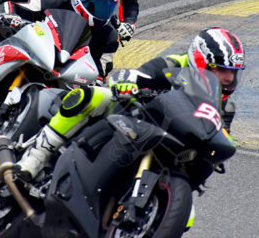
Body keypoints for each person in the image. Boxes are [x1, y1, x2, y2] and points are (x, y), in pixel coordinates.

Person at [14, 27, 245, 181]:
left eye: (233, 73)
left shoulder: (225, 108)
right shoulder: (174, 65)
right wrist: (127, 83)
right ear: (200, 60)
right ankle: (37, 156)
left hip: (168, 149)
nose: (228, 79)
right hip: (132, 119)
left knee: (187, 217)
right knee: (94, 95)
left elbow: (220, 136)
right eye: (221, 70)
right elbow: (137, 74)